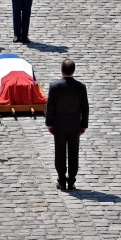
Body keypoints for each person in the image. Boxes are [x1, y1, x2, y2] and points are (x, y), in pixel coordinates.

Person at [45, 60, 89, 191]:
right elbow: (85, 108)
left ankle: (61, 181)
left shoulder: (54, 86)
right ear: (73, 71)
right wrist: (84, 124)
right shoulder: (81, 87)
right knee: (73, 153)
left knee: (60, 153)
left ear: (61, 70)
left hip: (59, 126)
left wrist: (49, 123)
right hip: (75, 125)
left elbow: (50, 107)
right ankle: (71, 182)